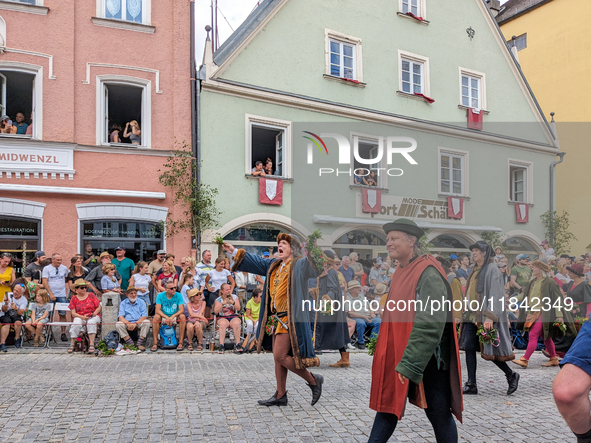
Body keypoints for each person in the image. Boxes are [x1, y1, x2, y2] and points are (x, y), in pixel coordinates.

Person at [369, 219, 462, 443]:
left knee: (438, 413)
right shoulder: (400, 271)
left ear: (411, 241)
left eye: (394, 238)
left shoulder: (428, 273)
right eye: (387, 239)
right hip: (402, 352)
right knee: (387, 408)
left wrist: (410, 363)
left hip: (429, 358)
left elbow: (430, 322)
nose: (388, 243)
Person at [223, 233, 323, 407]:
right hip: (275, 318)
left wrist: (313, 250)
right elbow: (255, 261)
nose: (280, 246)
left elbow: (314, 268)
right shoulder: (273, 265)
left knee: (281, 355)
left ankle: (313, 380)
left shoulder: (299, 264)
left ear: (293, 249)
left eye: (284, 243)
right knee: (277, 358)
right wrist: (234, 251)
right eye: (279, 243)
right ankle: (280, 394)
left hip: (290, 318)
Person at [461, 241, 519, 397]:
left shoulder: (492, 269)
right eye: (473, 250)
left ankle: (510, 374)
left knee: (490, 349)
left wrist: (489, 317)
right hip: (473, 315)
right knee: (469, 347)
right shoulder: (475, 269)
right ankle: (471, 383)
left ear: (485, 253)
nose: (474, 253)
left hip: (485, 315)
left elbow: (496, 294)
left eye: (477, 250)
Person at [513, 260, 576, 368]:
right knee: (546, 337)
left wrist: (559, 315)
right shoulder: (532, 282)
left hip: (544, 313)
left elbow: (557, 299)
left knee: (533, 335)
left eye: (535, 267)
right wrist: (514, 299)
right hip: (533, 312)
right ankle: (553, 358)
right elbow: (525, 294)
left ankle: (525, 359)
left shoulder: (549, 282)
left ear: (541, 269)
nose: (532, 269)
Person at [311, 250, 351, 368]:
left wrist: (326, 299)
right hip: (329, 306)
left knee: (329, 330)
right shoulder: (326, 271)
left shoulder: (330, 272)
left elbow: (333, 289)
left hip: (329, 307)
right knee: (335, 331)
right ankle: (344, 358)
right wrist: (315, 291)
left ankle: (311, 356)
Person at [67, 279, 101, 354]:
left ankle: (91, 344)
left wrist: (93, 314)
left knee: (91, 322)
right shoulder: (74, 298)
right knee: (76, 323)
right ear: (76, 289)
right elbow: (73, 313)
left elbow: (99, 307)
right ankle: (72, 343)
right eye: (82, 288)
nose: (84, 289)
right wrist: (82, 317)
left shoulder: (91, 295)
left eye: (85, 287)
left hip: (92, 315)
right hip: (79, 316)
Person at [151, 281, 186, 352]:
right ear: (166, 289)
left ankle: (181, 342)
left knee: (182, 317)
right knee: (155, 317)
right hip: (163, 315)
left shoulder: (178, 295)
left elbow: (181, 309)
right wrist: (166, 317)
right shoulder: (160, 295)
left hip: (174, 315)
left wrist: (173, 316)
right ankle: (155, 342)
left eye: (175, 288)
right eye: (172, 288)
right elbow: (157, 310)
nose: (174, 289)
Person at [42, 253, 70, 341]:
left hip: (61, 294)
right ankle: (49, 333)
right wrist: (50, 293)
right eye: (58, 260)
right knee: (49, 314)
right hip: (50, 294)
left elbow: (66, 278)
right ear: (52, 260)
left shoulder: (64, 268)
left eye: (60, 260)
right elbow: (45, 282)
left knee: (62, 314)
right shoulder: (47, 269)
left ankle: (63, 333)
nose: (59, 262)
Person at [346, 279, 380, 350]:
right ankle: (360, 342)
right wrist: (364, 316)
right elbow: (351, 314)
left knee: (379, 321)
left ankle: (370, 341)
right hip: (357, 317)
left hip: (367, 316)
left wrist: (372, 312)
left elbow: (369, 306)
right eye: (357, 287)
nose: (359, 289)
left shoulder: (361, 296)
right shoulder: (347, 299)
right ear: (352, 290)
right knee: (361, 323)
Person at [116, 287, 150, 351]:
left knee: (147, 322)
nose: (133, 295)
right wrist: (128, 323)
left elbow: (144, 316)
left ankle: (139, 343)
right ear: (127, 295)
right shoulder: (123, 303)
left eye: (135, 293)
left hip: (138, 322)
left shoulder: (141, 302)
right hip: (127, 322)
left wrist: (136, 323)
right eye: (131, 293)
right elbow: (120, 317)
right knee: (118, 324)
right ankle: (130, 343)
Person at [214, 283, 243, 353]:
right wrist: (223, 304)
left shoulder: (234, 297)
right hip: (223, 316)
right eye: (227, 290)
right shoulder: (218, 299)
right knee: (223, 324)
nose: (229, 291)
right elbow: (216, 311)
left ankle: (238, 344)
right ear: (222, 291)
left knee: (236, 324)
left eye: (229, 289)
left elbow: (238, 308)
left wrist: (232, 303)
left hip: (233, 316)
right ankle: (221, 345)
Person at [0, 283, 28, 351]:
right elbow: (3, 310)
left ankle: (17, 338)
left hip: (17, 314)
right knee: (7, 323)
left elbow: (21, 312)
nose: (15, 292)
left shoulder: (24, 300)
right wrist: (6, 304)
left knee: (18, 321)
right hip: (6, 314)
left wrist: (16, 308)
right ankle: (2, 343)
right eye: (14, 290)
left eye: (17, 291)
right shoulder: (8, 295)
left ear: (21, 292)